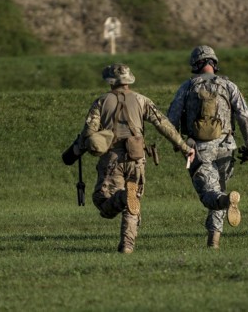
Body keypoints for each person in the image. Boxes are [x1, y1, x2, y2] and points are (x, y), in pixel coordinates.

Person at [67, 63, 194, 254]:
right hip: (137, 158)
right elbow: (163, 124)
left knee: (103, 202)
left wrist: (77, 150)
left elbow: (88, 133)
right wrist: (184, 147)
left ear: (110, 81)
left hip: (111, 159)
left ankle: (122, 196)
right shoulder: (143, 100)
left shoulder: (101, 102)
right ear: (129, 80)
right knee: (133, 204)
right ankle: (127, 246)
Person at [167, 45, 248, 249]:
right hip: (227, 146)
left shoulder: (187, 87)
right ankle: (213, 241)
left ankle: (226, 203)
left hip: (199, 148)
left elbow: (171, 119)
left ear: (196, 64)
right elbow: (244, 115)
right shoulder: (229, 86)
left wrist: (179, 145)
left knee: (209, 194)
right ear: (214, 63)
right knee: (219, 189)